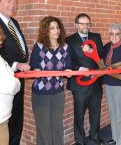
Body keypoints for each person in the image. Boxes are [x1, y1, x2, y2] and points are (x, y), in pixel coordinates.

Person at [0, 0, 30, 145]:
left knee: (16, 123)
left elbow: (17, 50)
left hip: (17, 81)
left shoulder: (14, 22)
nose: (13, 5)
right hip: (0, 87)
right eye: (8, 1)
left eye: (15, 2)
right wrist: (15, 64)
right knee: (3, 128)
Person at [29, 16, 72, 145]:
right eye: (52, 28)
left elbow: (68, 67)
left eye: (57, 27)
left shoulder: (65, 48)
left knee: (57, 126)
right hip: (40, 93)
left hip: (58, 92)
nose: (56, 31)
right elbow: (33, 66)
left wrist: (69, 72)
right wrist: (36, 70)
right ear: (46, 30)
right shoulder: (39, 47)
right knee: (44, 128)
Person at [66, 13, 104, 145]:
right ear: (76, 24)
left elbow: (101, 55)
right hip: (79, 84)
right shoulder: (69, 40)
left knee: (95, 113)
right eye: (82, 24)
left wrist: (92, 50)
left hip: (96, 83)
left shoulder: (96, 37)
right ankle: (80, 141)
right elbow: (67, 61)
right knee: (79, 115)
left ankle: (94, 139)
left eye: (88, 24)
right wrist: (78, 69)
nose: (86, 26)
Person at [103, 22, 121, 145]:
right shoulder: (106, 47)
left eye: (117, 34)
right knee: (112, 112)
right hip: (108, 84)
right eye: (111, 34)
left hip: (120, 85)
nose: (114, 36)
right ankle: (115, 138)